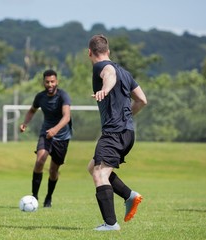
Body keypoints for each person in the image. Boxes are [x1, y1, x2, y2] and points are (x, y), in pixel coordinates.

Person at [87, 34, 147, 231]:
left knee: (99, 173)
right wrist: (128, 116)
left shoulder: (101, 67)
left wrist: (105, 88)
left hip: (114, 132)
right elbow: (141, 100)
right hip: (128, 132)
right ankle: (130, 196)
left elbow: (109, 73)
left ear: (90, 53)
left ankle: (111, 224)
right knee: (93, 166)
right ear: (108, 51)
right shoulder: (126, 73)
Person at [20, 69, 72, 208]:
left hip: (61, 137)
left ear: (57, 82)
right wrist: (25, 123)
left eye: (52, 81)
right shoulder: (40, 97)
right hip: (46, 134)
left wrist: (55, 130)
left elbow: (66, 116)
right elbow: (32, 110)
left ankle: (48, 197)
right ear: (44, 82)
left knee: (53, 171)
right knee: (40, 161)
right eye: (47, 82)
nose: (50, 84)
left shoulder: (63, 96)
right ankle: (34, 196)